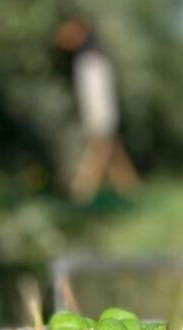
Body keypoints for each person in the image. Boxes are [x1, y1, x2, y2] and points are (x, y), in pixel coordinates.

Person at [56, 16, 139, 200]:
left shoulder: (91, 62)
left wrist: (97, 121)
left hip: (99, 118)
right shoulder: (92, 59)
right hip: (101, 118)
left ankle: (81, 195)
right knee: (114, 156)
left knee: (96, 155)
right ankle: (130, 192)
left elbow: (97, 97)